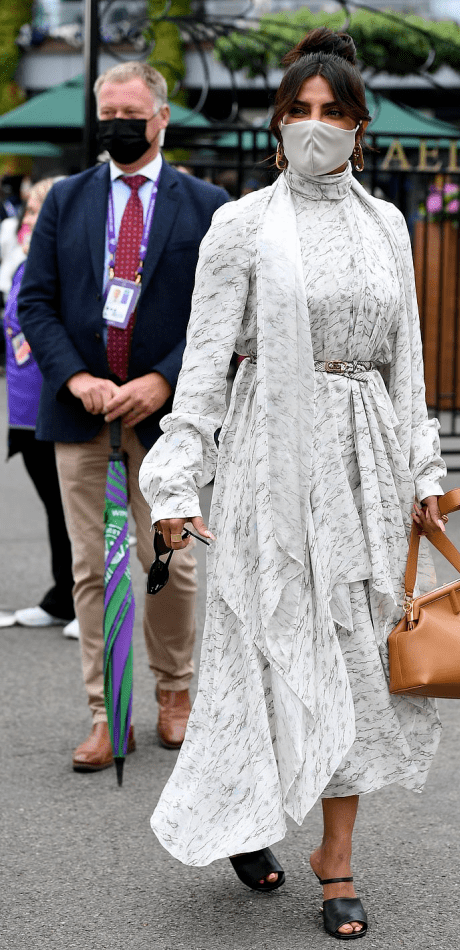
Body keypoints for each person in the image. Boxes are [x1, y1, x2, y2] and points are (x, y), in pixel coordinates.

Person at [140, 28, 446, 941]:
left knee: (356, 667)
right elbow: (201, 368)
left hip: (365, 473)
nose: (318, 128)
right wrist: (176, 482)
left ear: (360, 126)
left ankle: (337, 859)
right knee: (262, 660)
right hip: (268, 470)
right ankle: (244, 810)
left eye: (335, 114)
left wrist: (423, 467)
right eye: (301, 112)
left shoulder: (385, 223)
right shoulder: (240, 225)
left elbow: (409, 365)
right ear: (277, 125)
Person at [18, 61, 229, 772]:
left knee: (167, 559)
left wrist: (162, 380)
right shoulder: (66, 200)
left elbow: (219, 315)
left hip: (166, 420)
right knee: (93, 568)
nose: (116, 124)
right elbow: (35, 302)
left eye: (130, 113)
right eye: (106, 112)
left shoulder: (206, 205)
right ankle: (107, 712)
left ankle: (176, 693)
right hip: (80, 413)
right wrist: (75, 375)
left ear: (160, 117)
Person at [1, 176, 79, 636]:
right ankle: (59, 595)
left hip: (56, 401)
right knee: (54, 507)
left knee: (72, 508)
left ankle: (82, 600)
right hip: (22, 407)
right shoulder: (22, 262)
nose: (30, 222)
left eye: (39, 212)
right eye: (28, 212)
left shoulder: (67, 262)